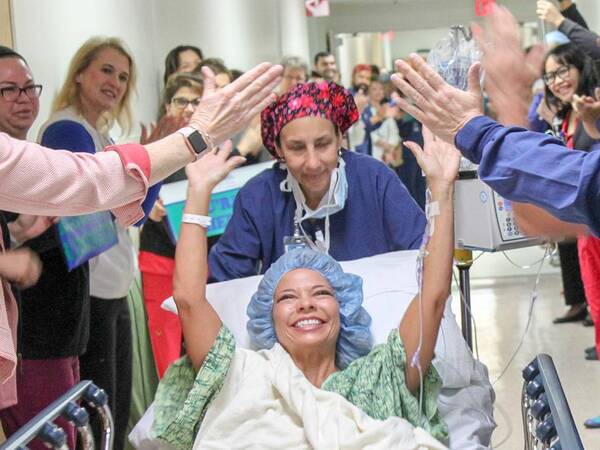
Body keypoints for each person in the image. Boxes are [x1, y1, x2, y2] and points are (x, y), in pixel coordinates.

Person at [146, 121, 459, 447]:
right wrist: (198, 191)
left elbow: (433, 296)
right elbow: (189, 300)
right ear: (269, 318)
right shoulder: (240, 372)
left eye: (321, 292)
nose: (306, 303)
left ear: (344, 310)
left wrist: (442, 190)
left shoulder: (380, 376)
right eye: (288, 298)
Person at [208, 81, 426, 282]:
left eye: (323, 144)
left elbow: (422, 255)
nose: (313, 163)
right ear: (278, 148)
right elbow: (225, 281)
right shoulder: (259, 196)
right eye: (297, 148)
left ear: (340, 137)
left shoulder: (373, 179)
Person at [139, 73, 204, 378]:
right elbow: (130, 198)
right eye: (181, 101)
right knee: (167, 348)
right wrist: (147, 204)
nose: (189, 108)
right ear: (167, 105)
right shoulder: (153, 147)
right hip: (160, 257)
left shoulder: (214, 146)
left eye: (196, 101)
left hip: (202, 259)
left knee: (202, 340)